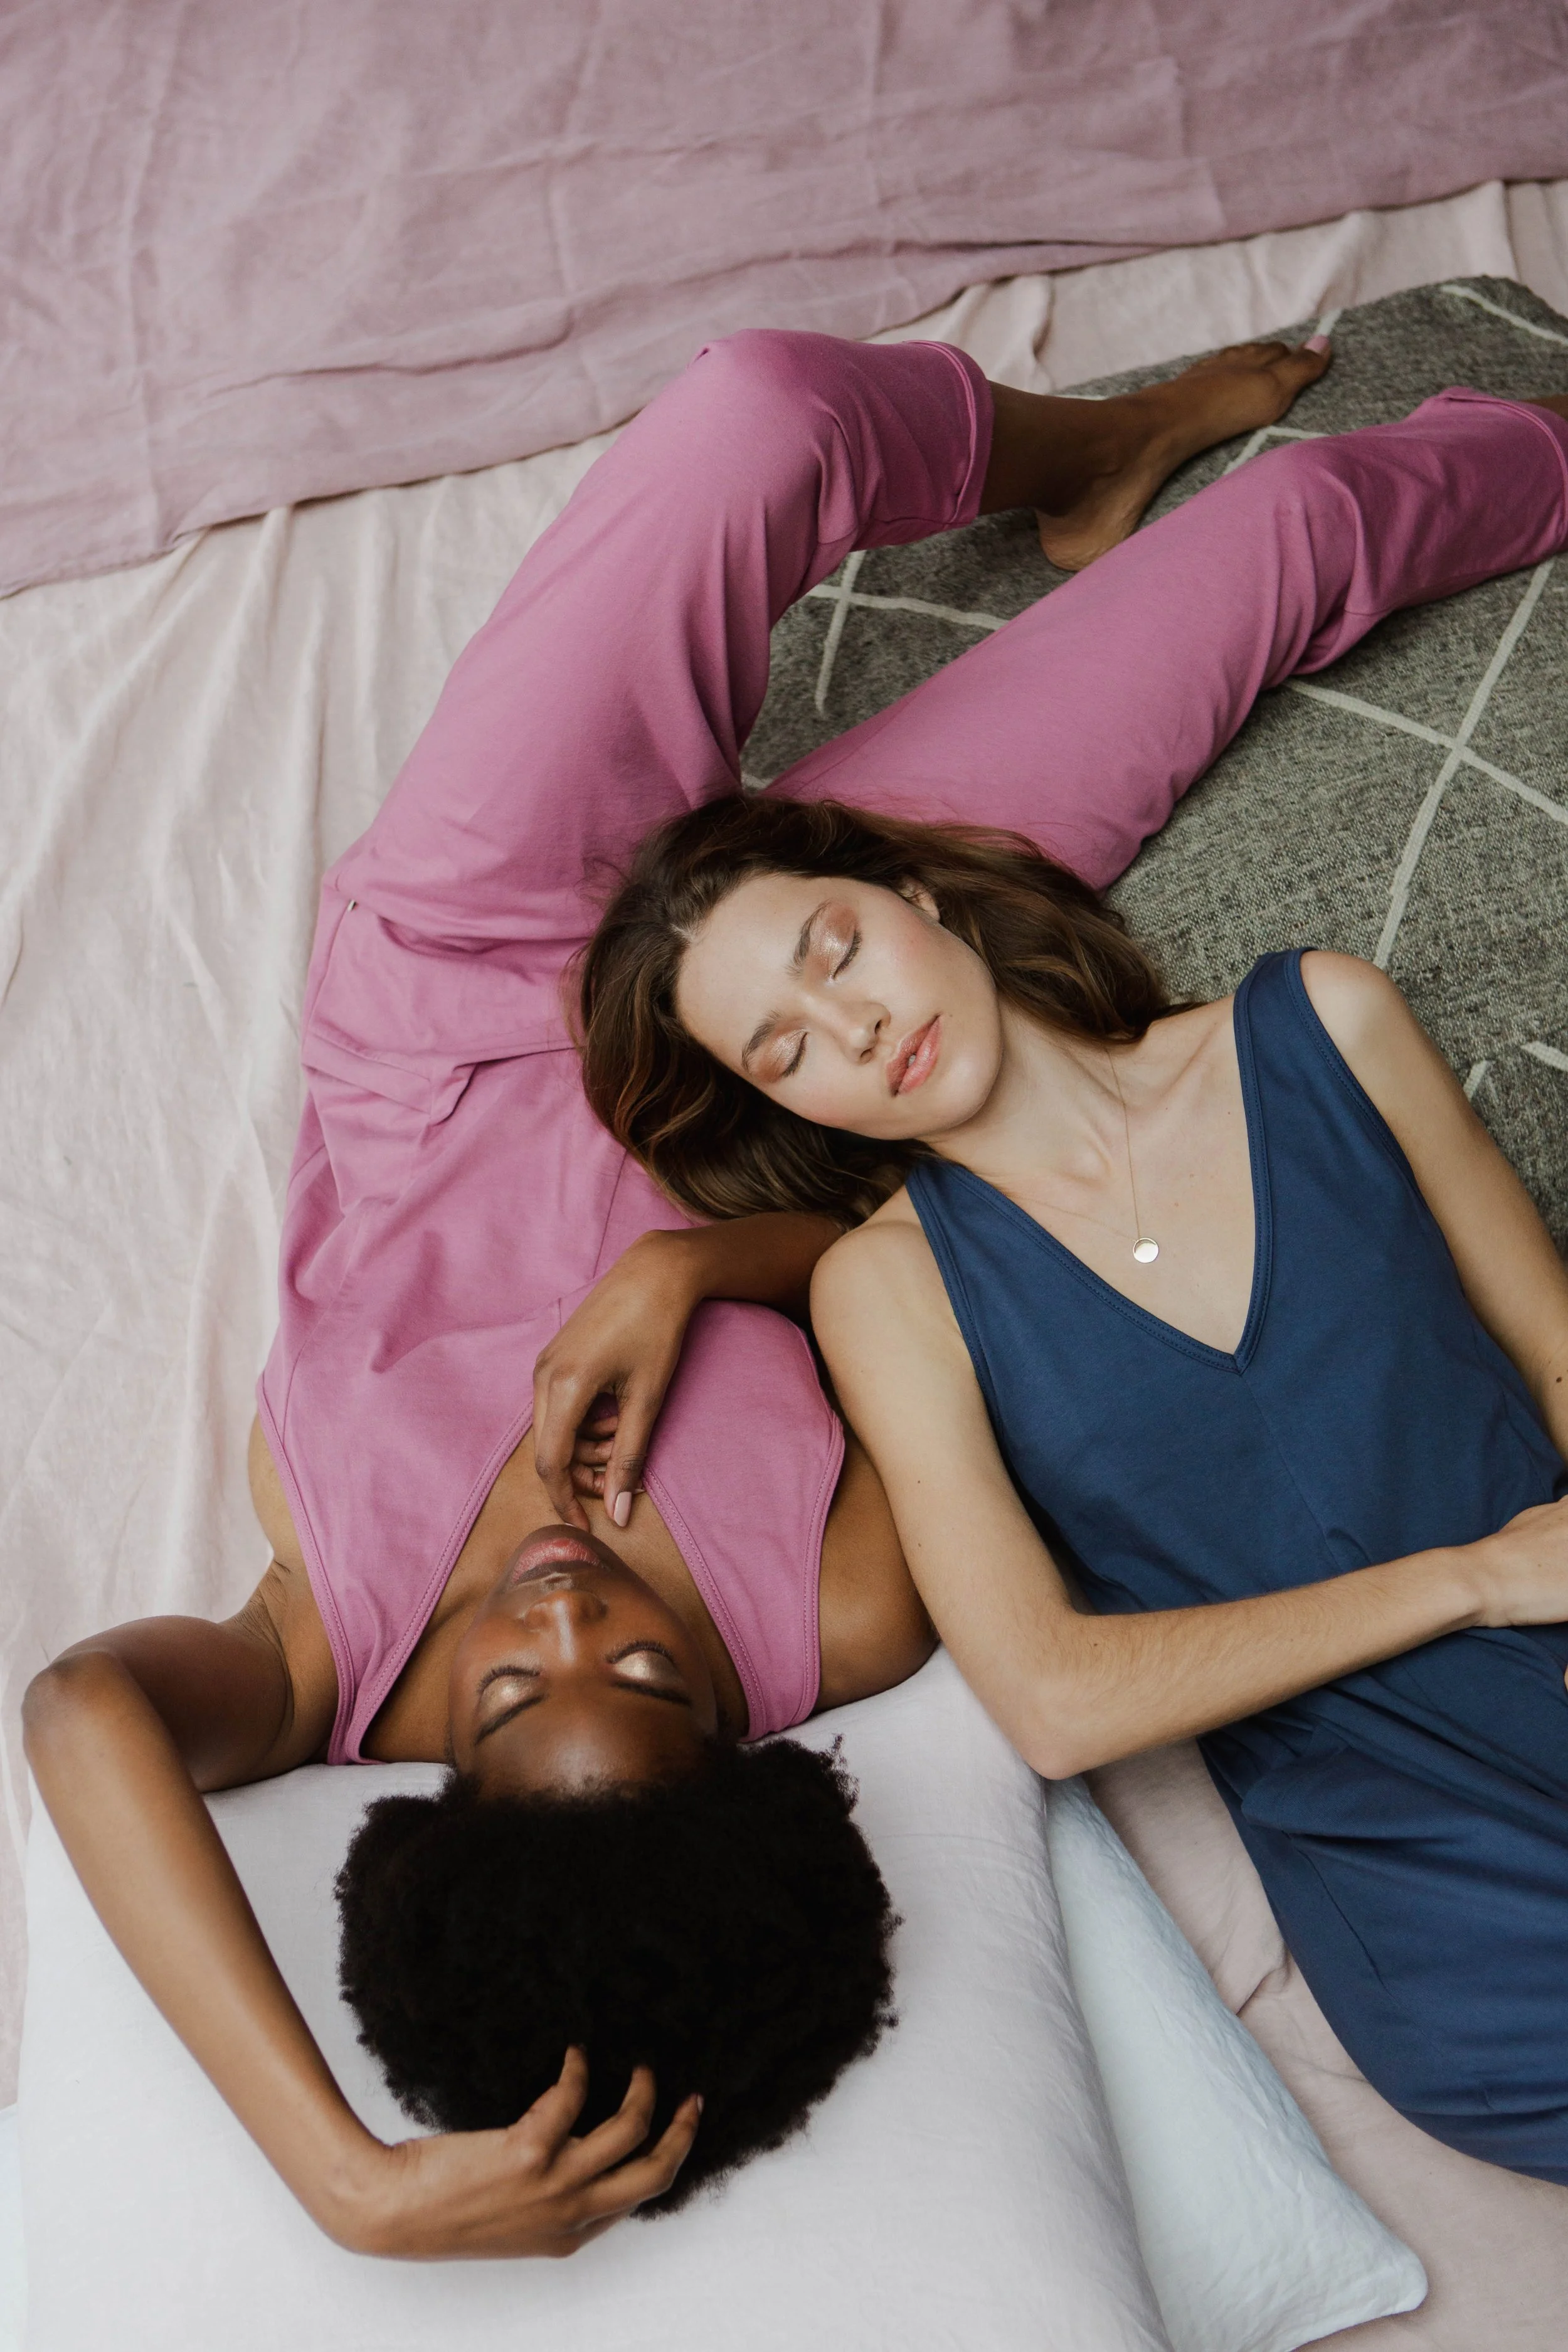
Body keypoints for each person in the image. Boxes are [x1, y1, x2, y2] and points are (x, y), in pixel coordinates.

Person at [23, 322, 1337, 2259]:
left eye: (505, 1697)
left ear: (431, 1790)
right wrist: (696, 1264)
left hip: (464, 973)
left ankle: (1084, 450)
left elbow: (76, 1709)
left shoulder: (322, 1673)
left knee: (758, 415)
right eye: (641, 1677)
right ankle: (1153, 459)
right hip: (784, 1051)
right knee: (1306, 530)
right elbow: (939, 1264)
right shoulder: (843, 1617)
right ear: (741, 1759)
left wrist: (348, 2178)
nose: (561, 1616)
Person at [574, 381, 1568, 2183]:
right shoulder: (894, 1295)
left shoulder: (1323, 1025)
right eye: (783, 1048)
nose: (847, 1027)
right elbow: (1052, 1696)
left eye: (833, 950)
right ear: (785, 1109)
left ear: (920, 900)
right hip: (1431, 1875)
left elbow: (1555, 1357)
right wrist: (1474, 1577)